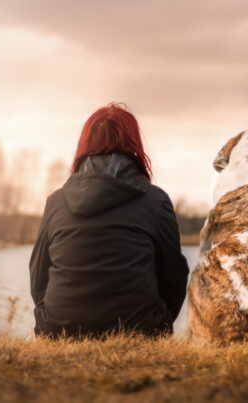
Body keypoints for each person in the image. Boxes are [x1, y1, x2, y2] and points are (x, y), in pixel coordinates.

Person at [29, 103, 190, 338]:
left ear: (84, 146)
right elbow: (174, 277)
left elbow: (38, 275)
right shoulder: (156, 202)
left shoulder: (56, 202)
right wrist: (159, 321)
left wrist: (52, 318)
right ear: (134, 145)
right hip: (140, 331)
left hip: (59, 330)